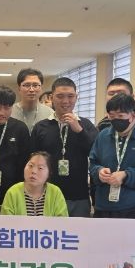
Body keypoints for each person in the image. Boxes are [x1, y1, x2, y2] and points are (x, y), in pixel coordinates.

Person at [31, 77, 98, 217]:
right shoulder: (41, 127)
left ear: (76, 97)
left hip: (78, 196)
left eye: (70, 96)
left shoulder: (86, 125)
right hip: (47, 194)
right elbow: (33, 161)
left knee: (78, 231)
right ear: (52, 98)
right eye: (60, 96)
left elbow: (95, 153)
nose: (66, 101)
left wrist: (79, 130)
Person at [0, 151, 68, 217]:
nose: (33, 171)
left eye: (40, 168)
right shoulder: (13, 192)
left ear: (49, 173)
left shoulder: (55, 193)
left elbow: (63, 222)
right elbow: (5, 222)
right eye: (30, 166)